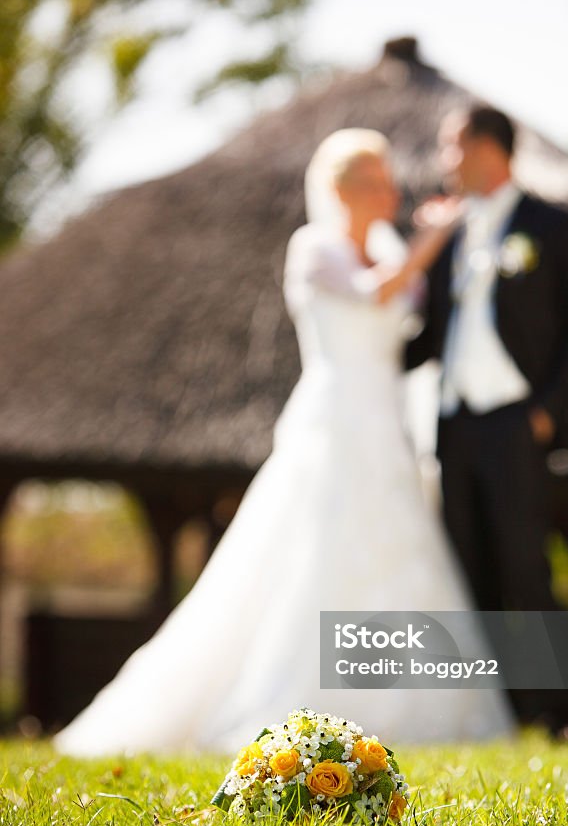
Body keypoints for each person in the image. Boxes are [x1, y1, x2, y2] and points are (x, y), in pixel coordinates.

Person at [52, 128, 517, 757]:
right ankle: (292, 701)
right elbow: (374, 291)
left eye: (388, 180)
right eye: (376, 181)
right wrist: (431, 239)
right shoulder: (315, 248)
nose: (390, 192)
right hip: (335, 419)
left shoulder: (386, 245)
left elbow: (411, 313)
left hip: (387, 421)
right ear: (342, 189)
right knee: (311, 550)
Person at [405, 104, 568, 611]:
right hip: (453, 426)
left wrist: (544, 413)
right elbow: (427, 336)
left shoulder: (555, 225)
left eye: (453, 145)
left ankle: (548, 694)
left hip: (517, 422)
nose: (446, 159)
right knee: (466, 574)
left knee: (524, 572)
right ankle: (487, 693)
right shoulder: (445, 232)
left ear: (487, 149)